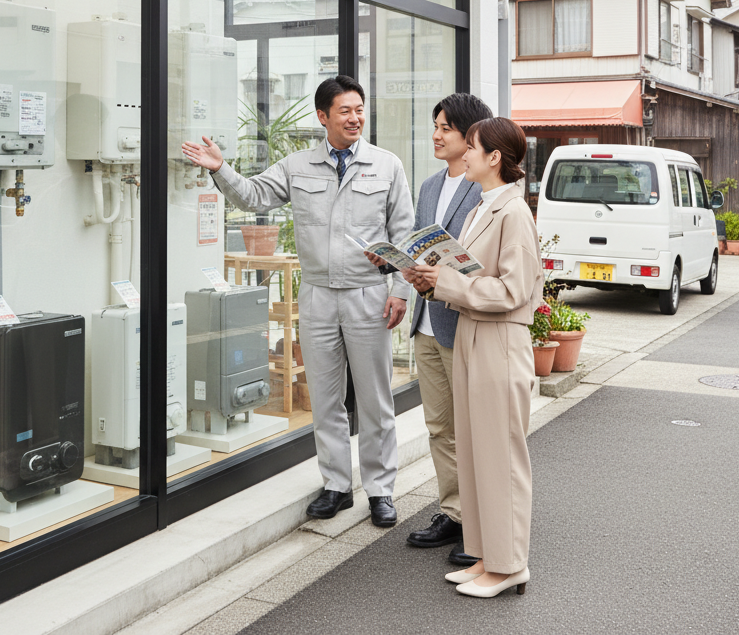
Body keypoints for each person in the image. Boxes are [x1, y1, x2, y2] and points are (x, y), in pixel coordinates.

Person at [181, 75, 414, 528]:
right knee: (325, 400)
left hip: (369, 294)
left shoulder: (387, 166)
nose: (355, 118)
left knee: (375, 399)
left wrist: (401, 289)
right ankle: (336, 485)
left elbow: (403, 232)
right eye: (345, 111)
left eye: (359, 109)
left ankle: (382, 490)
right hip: (317, 296)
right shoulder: (297, 166)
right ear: (323, 116)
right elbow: (252, 197)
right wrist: (219, 168)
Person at [405, 117, 543, 599]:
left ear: (493, 159)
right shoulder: (484, 206)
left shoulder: (513, 213)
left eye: (473, 147)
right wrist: (432, 279)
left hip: (499, 341)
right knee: (476, 453)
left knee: (500, 458)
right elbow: (471, 276)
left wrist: (446, 283)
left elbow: (514, 289)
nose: (463, 154)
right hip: (471, 333)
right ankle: (487, 556)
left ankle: (509, 566)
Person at [403, 94, 492, 564]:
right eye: (434, 126)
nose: (436, 135)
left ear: (471, 136)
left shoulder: (485, 191)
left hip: (465, 322)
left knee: (472, 427)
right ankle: (453, 513)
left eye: (445, 128)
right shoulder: (428, 186)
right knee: (439, 425)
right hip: (425, 320)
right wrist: (404, 267)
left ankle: (480, 522)